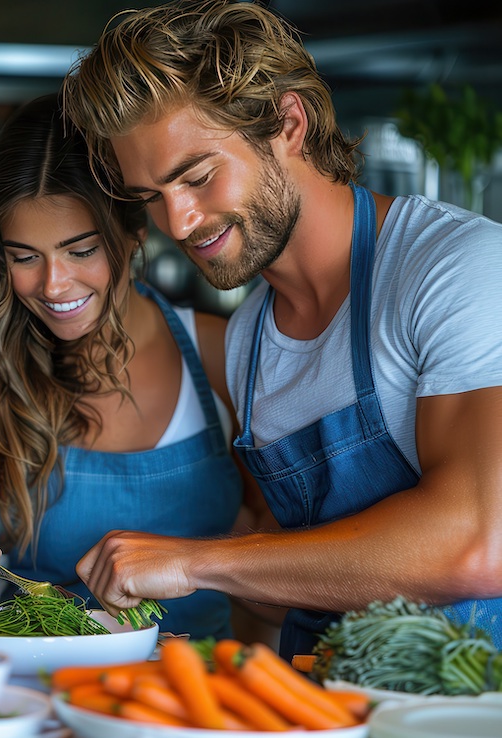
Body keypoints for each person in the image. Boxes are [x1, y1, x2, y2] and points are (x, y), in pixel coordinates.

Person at [62, 0, 502, 659]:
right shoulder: (248, 341)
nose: (178, 223)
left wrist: (195, 562)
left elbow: (476, 542)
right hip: (320, 707)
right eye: (151, 197)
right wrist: (157, 544)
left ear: (288, 124)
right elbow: (285, 577)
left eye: (198, 177)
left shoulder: (456, 269)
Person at [0, 93, 260, 640]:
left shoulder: (224, 353)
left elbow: (275, 543)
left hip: (199, 697)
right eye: (24, 256)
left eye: (81, 251)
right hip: (44, 687)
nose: (53, 285)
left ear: (134, 234)